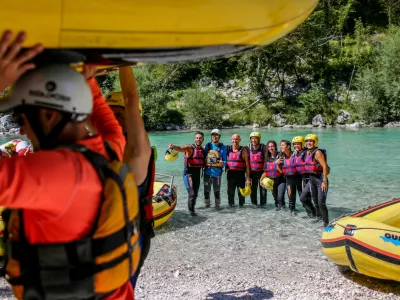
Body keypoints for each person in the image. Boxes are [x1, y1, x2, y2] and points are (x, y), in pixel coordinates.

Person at [0, 31, 138, 299]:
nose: (23, 132)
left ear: (49, 115)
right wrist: (86, 81)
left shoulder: (53, 172)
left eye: (21, 121)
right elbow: (109, 127)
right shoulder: (108, 153)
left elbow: (107, 125)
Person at [105, 66, 154, 288]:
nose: (112, 121)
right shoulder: (106, 142)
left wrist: (124, 62)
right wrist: (83, 74)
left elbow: (131, 100)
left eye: (119, 116)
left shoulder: (137, 149)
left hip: (132, 234)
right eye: (109, 116)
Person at [169, 132, 205, 216]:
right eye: (197, 138)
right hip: (188, 174)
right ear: (194, 139)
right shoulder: (190, 148)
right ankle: (191, 213)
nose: (198, 139)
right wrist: (173, 146)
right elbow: (181, 148)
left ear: (203, 139)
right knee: (191, 194)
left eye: (200, 138)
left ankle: (192, 209)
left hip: (197, 174)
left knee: (195, 194)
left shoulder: (203, 150)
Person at [300, 134, 330, 227]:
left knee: (321, 203)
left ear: (315, 142)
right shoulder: (307, 153)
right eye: (307, 141)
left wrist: (324, 181)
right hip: (312, 180)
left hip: (320, 180)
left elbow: (324, 166)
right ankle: (318, 217)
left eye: (311, 141)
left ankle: (326, 223)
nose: (309, 143)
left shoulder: (317, 153)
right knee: (312, 200)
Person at [203, 129, 227, 209]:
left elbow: (225, 161)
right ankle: (207, 206)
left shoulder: (223, 147)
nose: (214, 137)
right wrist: (216, 161)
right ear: (211, 136)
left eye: (216, 135)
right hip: (207, 173)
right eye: (213, 135)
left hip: (217, 174)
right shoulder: (207, 146)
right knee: (206, 192)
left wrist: (222, 163)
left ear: (219, 136)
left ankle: (217, 207)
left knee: (217, 191)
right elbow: (204, 159)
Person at [226, 134, 251, 207]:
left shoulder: (243, 150)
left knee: (241, 193)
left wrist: (248, 178)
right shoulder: (228, 149)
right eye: (233, 139)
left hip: (240, 174)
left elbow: (247, 165)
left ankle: (241, 209)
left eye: (236, 139)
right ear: (231, 140)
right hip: (230, 174)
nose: (235, 141)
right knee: (230, 193)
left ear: (240, 140)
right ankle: (231, 208)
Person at [292, 136, 314, 217]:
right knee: (305, 198)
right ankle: (311, 214)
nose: (296, 146)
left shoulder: (307, 153)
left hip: (310, 177)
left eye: (298, 144)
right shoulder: (295, 154)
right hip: (303, 178)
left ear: (302, 144)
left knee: (304, 198)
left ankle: (314, 214)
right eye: (295, 144)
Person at [261, 140, 286, 210]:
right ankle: (278, 215)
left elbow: (283, 170)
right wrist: (261, 180)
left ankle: (284, 213)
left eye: (272, 146)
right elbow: (266, 171)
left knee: (280, 198)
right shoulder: (267, 158)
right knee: (276, 199)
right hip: (271, 181)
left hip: (281, 180)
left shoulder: (280, 155)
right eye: (269, 147)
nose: (270, 148)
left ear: (275, 147)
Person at [277, 140, 299, 215]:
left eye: (283, 145)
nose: (281, 147)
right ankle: (291, 214)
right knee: (291, 198)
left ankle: (311, 214)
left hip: (298, 178)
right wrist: (277, 164)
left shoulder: (295, 154)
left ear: (288, 146)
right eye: (280, 145)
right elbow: (281, 171)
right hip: (289, 179)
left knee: (303, 198)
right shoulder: (282, 157)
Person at [248, 132, 267, 208]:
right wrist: (248, 177)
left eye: (256, 138)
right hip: (252, 173)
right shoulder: (247, 148)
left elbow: (266, 160)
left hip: (262, 173)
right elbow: (246, 163)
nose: (254, 140)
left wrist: (265, 173)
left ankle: (263, 206)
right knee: (253, 191)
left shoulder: (264, 147)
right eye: (252, 138)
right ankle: (254, 206)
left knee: (263, 191)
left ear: (259, 139)